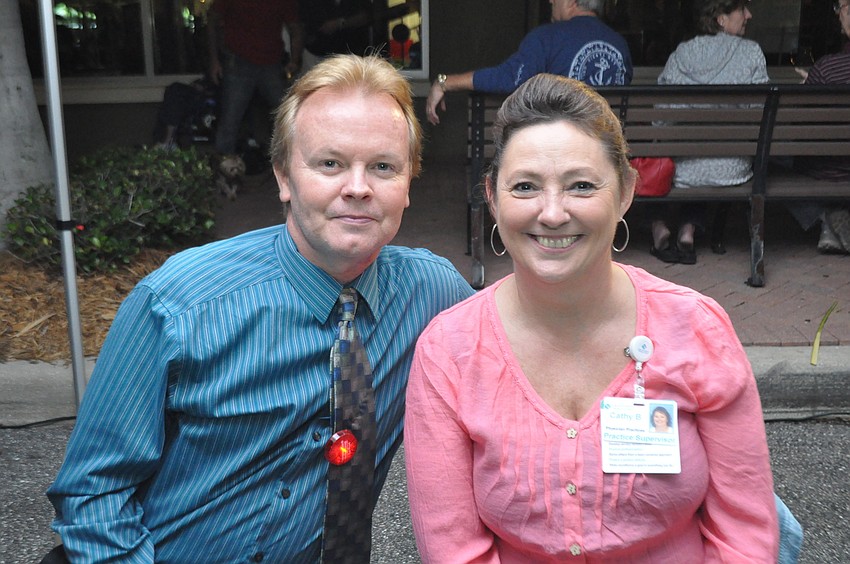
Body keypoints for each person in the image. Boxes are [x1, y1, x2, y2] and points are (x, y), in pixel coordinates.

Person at [44, 54, 475, 562]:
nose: (358, 187)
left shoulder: (432, 295)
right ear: (284, 178)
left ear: (408, 185)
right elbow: (93, 496)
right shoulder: (179, 305)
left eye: (383, 167)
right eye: (330, 164)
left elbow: (523, 343)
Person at [404, 73, 790, 561]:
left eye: (581, 186)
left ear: (625, 192)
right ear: (493, 198)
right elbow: (453, 548)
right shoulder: (449, 352)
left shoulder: (696, 329)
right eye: (525, 186)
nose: (552, 213)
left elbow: (744, 534)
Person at [650, 0, 769, 264]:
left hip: (683, 169)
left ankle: (662, 227)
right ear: (720, 18)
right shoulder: (751, 53)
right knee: (708, 157)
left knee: (688, 160)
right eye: (742, 9)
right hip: (732, 167)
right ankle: (688, 229)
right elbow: (760, 113)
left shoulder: (681, 53)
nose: (749, 15)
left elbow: (660, 118)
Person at [425, 0, 633, 125]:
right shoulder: (620, 44)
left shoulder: (547, 37)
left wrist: (445, 82)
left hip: (559, 148)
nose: (550, 1)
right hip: (605, 148)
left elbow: (509, 79)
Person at [207, 0, 304, 157]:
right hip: (238, 61)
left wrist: (294, 60)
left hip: (271, 62)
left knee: (289, 116)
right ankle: (224, 166)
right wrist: (214, 60)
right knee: (230, 120)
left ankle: (297, 162)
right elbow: (212, 18)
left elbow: (295, 27)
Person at [790, 0, 850, 254]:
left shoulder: (827, 68)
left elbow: (801, 126)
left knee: (767, 163)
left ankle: (826, 216)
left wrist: (811, 88)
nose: (837, 15)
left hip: (831, 171)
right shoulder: (826, 69)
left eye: (841, 7)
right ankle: (833, 225)